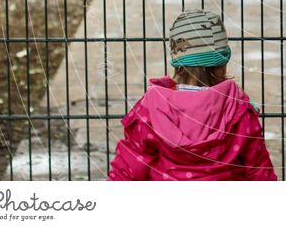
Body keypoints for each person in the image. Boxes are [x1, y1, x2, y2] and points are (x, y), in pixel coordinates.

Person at [108, 10, 276, 180]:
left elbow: (129, 164)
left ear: (177, 62)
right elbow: (258, 168)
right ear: (222, 64)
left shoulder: (152, 107)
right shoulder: (237, 109)